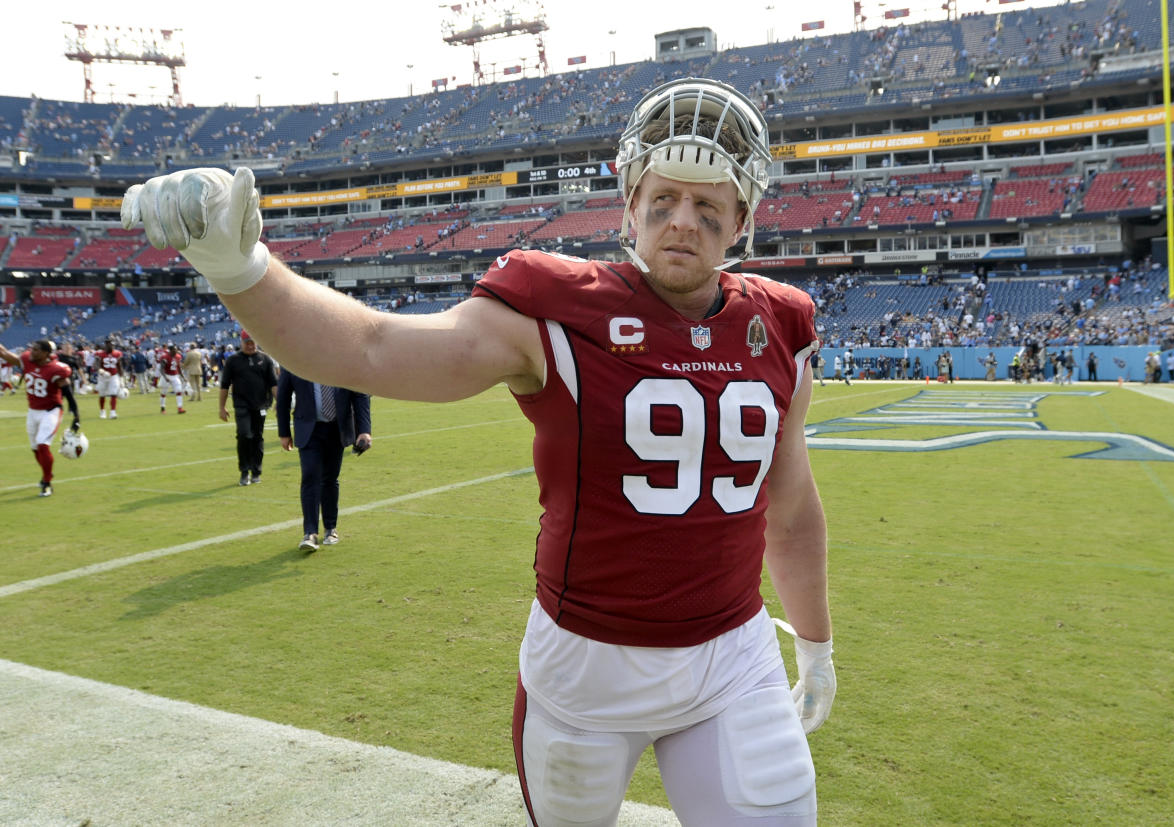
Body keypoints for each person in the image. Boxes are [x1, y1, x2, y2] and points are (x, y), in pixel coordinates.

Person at [122, 76, 835, 826]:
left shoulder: (781, 325)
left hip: (732, 658)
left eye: (706, 205)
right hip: (586, 668)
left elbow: (789, 506)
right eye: (663, 201)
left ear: (741, 219)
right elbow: (372, 347)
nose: (682, 221)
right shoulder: (560, 305)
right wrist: (242, 271)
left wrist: (815, 645)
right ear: (630, 205)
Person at [276, 368, 373, 552]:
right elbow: (283, 396)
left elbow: (359, 395)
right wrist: (284, 432)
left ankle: (330, 528)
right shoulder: (295, 359)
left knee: (330, 479)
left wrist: (364, 429)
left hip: (337, 428)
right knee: (310, 477)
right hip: (308, 428)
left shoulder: (339, 358)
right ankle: (310, 533)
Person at [0, 339, 82, 497]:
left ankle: (47, 483)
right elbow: (3, 353)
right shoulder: (27, 360)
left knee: (43, 445)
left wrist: (76, 414)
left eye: (36, 350)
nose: (32, 352)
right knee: (36, 449)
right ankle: (48, 474)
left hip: (50, 411)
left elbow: (67, 391)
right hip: (32, 411)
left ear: (46, 354)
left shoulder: (55, 369)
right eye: (32, 349)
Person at [219, 331, 279, 486]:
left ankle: (256, 472)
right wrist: (222, 407)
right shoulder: (233, 360)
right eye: (247, 342)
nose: (251, 345)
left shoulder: (265, 359)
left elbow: (273, 383)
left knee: (258, 437)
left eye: (253, 342)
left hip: (261, 405)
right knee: (244, 435)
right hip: (241, 405)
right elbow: (224, 385)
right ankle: (244, 471)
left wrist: (280, 402)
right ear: (241, 342)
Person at [95, 338, 124, 419]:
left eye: (113, 344)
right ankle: (102, 411)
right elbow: (96, 365)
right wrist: (102, 371)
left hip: (113, 376)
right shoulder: (100, 354)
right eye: (110, 344)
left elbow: (119, 366)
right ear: (106, 345)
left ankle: (113, 412)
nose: (112, 346)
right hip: (103, 376)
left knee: (113, 393)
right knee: (102, 394)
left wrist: (121, 378)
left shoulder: (117, 353)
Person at [158, 343, 187, 413]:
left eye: (176, 350)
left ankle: (180, 408)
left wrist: (183, 377)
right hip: (167, 375)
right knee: (164, 392)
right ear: (170, 350)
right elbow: (161, 369)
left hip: (175, 376)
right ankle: (163, 408)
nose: (176, 351)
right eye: (174, 350)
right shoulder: (165, 357)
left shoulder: (178, 356)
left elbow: (179, 367)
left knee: (179, 390)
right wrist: (165, 377)